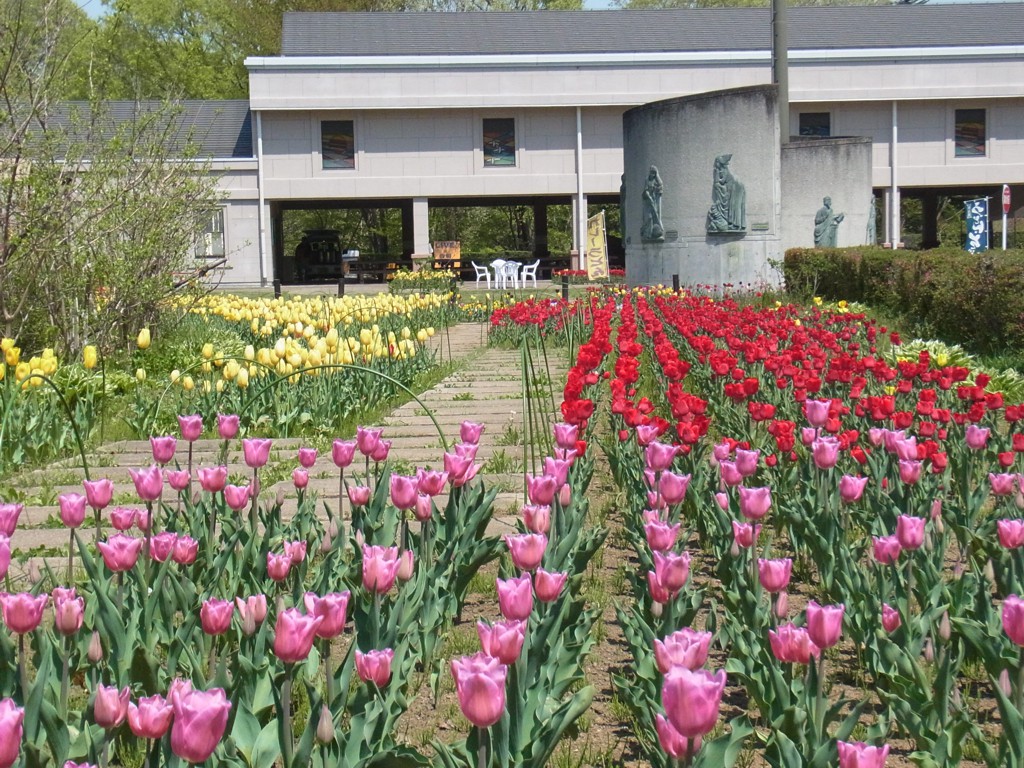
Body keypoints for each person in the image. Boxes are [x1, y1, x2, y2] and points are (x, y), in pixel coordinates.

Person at [706, 154, 746, 233]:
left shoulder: (724, 170)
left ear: (720, 163)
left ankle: (736, 225)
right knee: (733, 206)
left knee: (735, 206)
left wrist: (717, 174)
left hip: (735, 187)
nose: (716, 163)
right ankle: (733, 224)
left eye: (717, 162)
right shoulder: (722, 170)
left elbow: (722, 181)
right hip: (732, 187)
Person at [640, 165, 665, 242]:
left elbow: (660, 187)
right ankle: (646, 233)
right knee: (648, 217)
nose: (652, 175)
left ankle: (655, 232)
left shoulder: (657, 180)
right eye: (651, 173)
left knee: (656, 216)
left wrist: (656, 191)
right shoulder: (647, 180)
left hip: (655, 201)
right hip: (648, 202)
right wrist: (649, 197)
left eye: (654, 173)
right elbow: (645, 190)